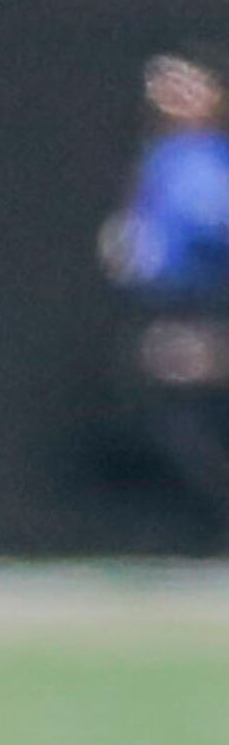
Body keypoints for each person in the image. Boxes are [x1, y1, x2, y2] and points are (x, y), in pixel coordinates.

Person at [102, 48, 229, 543]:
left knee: (198, 396)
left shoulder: (214, 156)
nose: (170, 95)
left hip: (209, 300)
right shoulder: (161, 156)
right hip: (163, 301)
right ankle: (195, 527)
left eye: (185, 83)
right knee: (168, 412)